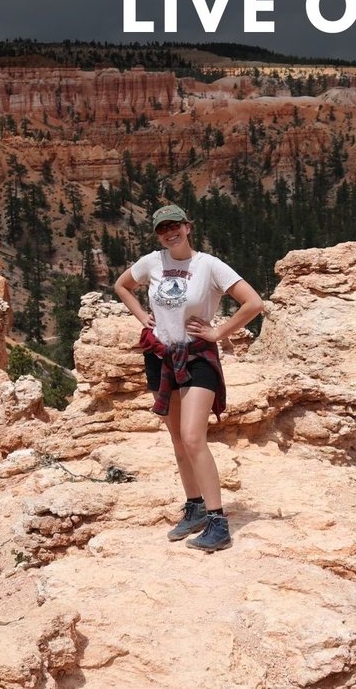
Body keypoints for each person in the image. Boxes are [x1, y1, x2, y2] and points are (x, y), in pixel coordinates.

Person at [114, 204, 262, 552]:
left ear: (188, 227)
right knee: (179, 440)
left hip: (196, 356)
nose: (169, 233)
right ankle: (194, 507)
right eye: (162, 228)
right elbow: (122, 285)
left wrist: (219, 332)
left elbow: (253, 302)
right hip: (161, 356)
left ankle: (218, 522)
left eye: (175, 225)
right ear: (157, 234)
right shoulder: (152, 262)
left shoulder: (208, 265)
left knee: (193, 437)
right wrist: (142, 316)